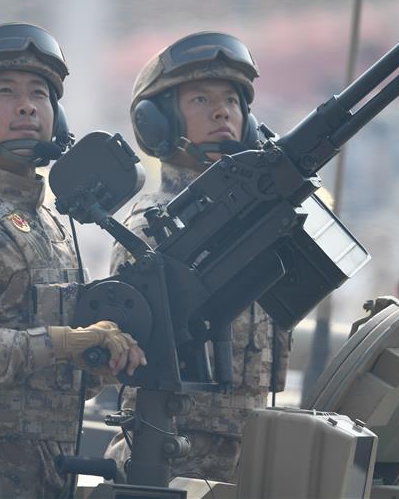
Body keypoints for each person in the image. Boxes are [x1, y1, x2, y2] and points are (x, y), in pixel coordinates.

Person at [0, 22, 146, 498]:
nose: (26, 106)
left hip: (44, 480)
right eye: (4, 92)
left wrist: (99, 358)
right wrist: (66, 342)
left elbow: (52, 385)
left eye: (39, 93)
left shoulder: (51, 226)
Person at [104, 31, 291, 482]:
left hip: (252, 451)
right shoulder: (151, 225)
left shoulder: (262, 219)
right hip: (168, 449)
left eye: (231, 100)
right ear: (160, 123)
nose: (222, 111)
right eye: (201, 100)